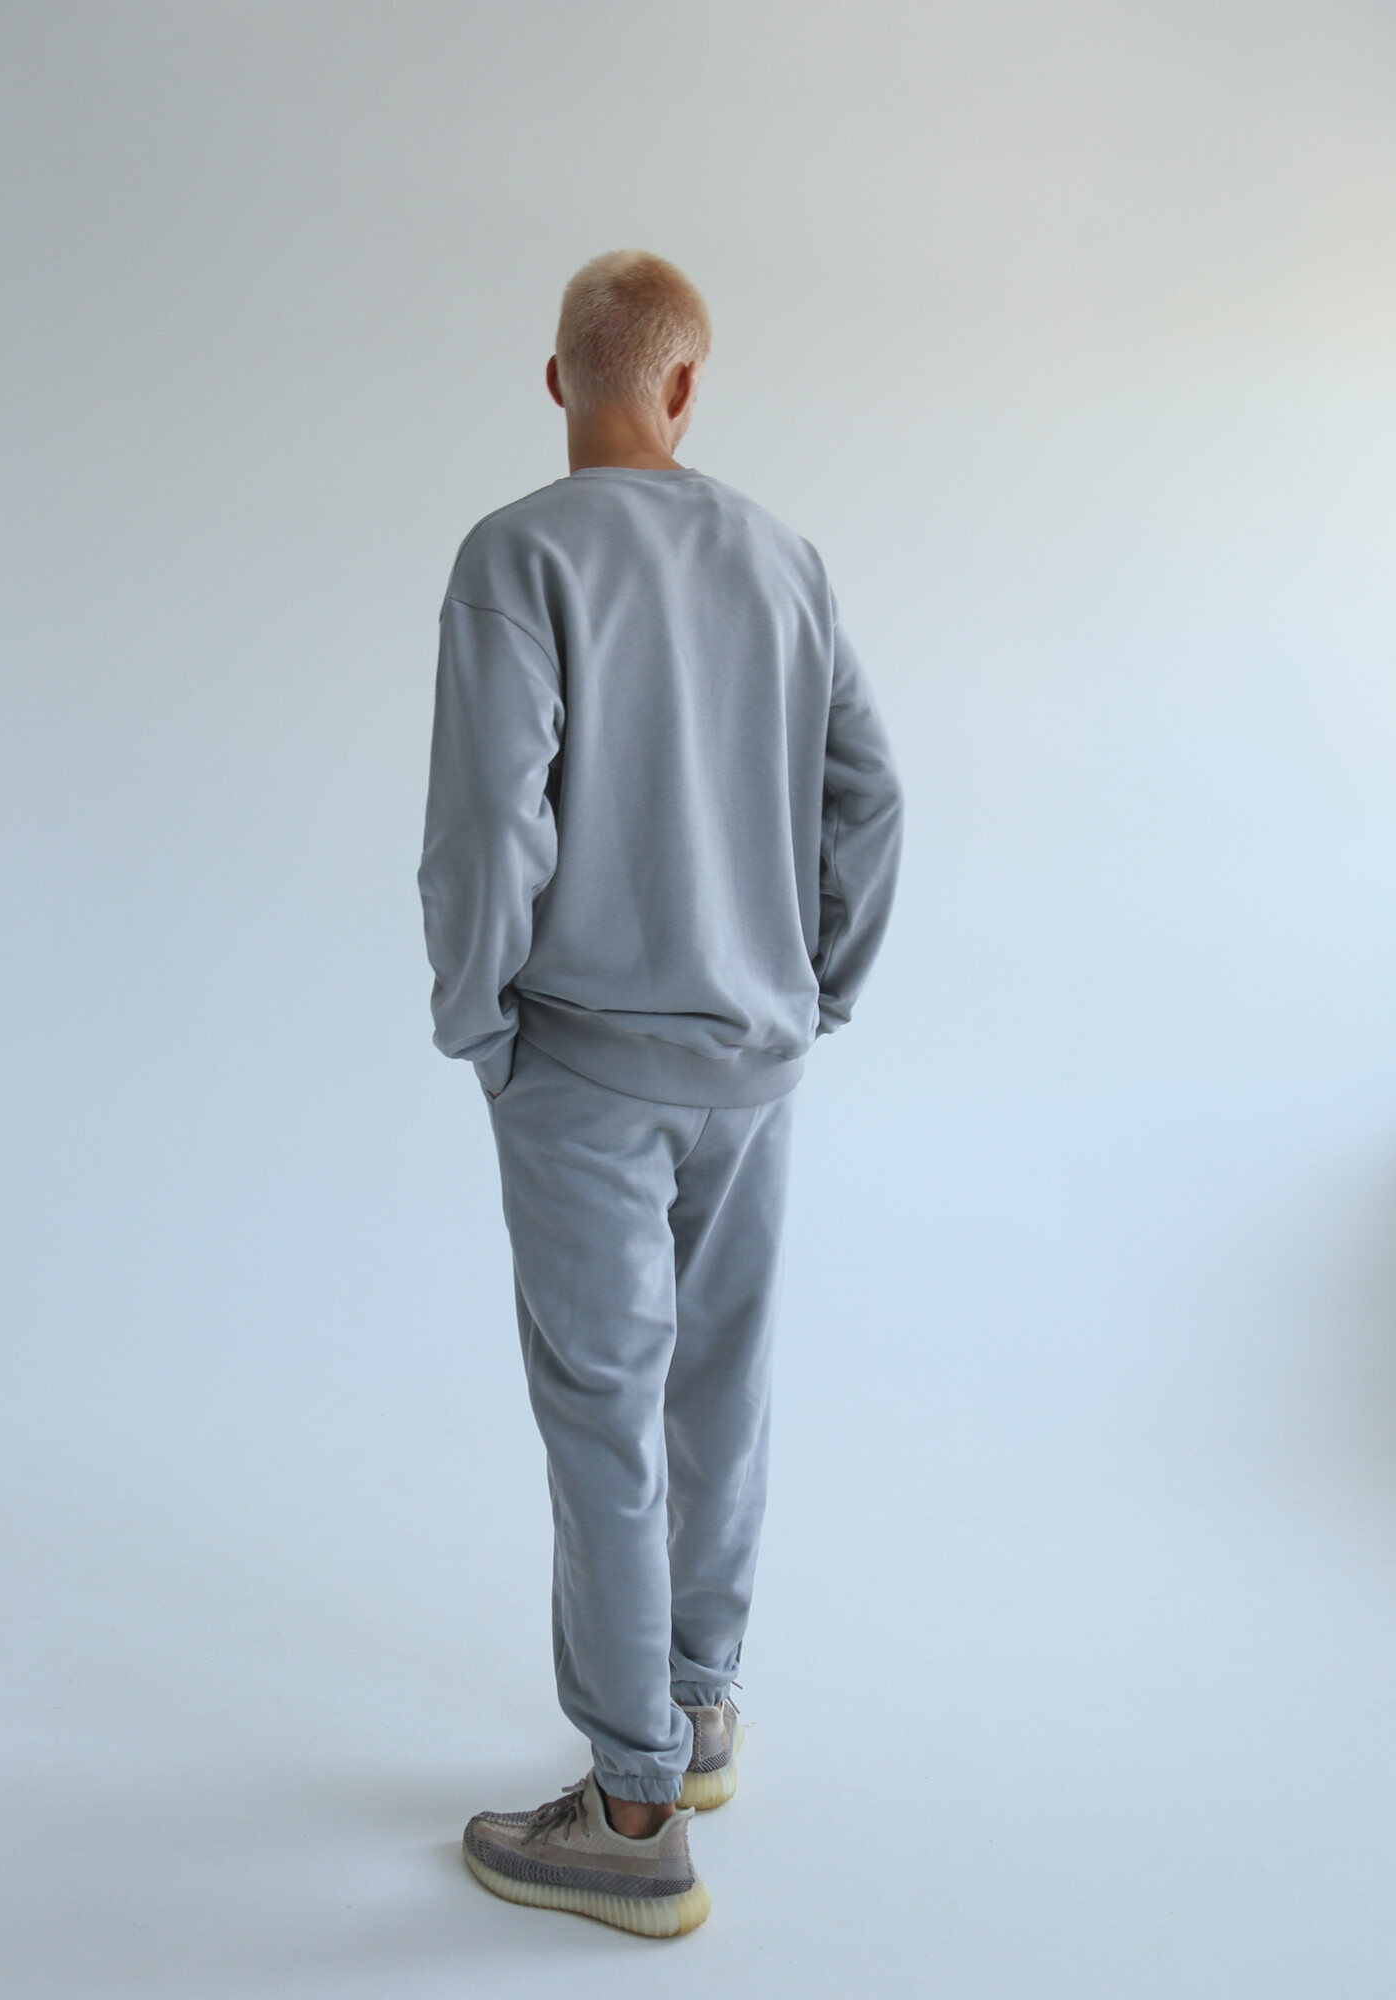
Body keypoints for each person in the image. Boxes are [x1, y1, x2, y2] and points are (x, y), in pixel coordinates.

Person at [418, 249, 903, 1937]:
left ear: (560, 379)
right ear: (686, 387)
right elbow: (872, 794)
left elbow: (489, 823)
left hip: (586, 1067)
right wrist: (819, 988)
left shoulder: (518, 556)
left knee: (603, 1412)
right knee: (720, 1389)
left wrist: (479, 1024)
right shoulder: (786, 558)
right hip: (754, 1069)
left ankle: (629, 1816)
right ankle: (697, 1715)